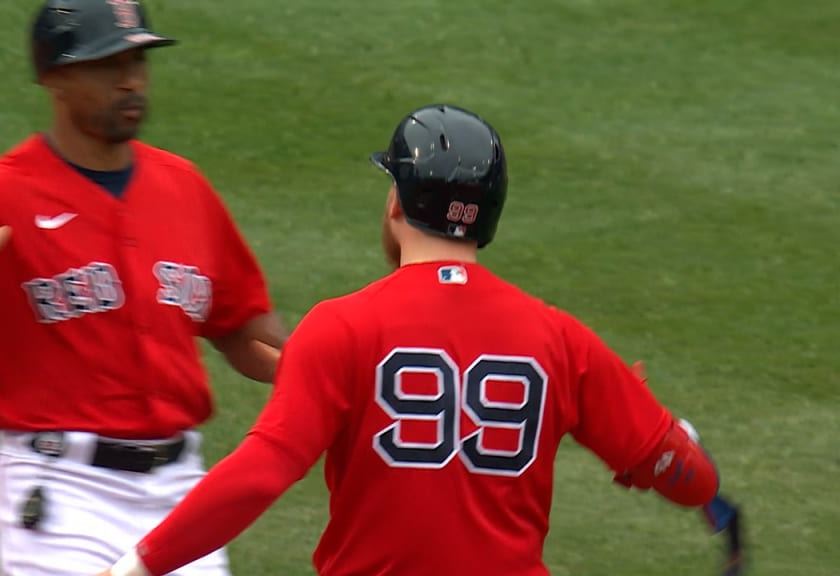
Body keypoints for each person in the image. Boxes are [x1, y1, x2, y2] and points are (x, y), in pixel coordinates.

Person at [94, 104, 740, 576]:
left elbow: (258, 476)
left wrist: (137, 567)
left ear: (397, 203)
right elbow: (674, 467)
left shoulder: (343, 327)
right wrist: (709, 492)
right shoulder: (559, 339)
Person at [0, 1, 287, 575]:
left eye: (137, 61)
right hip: (61, 490)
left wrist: (323, 371)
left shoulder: (184, 189)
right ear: (55, 77)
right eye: (109, 65)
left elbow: (243, 330)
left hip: (181, 493)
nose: (131, 81)